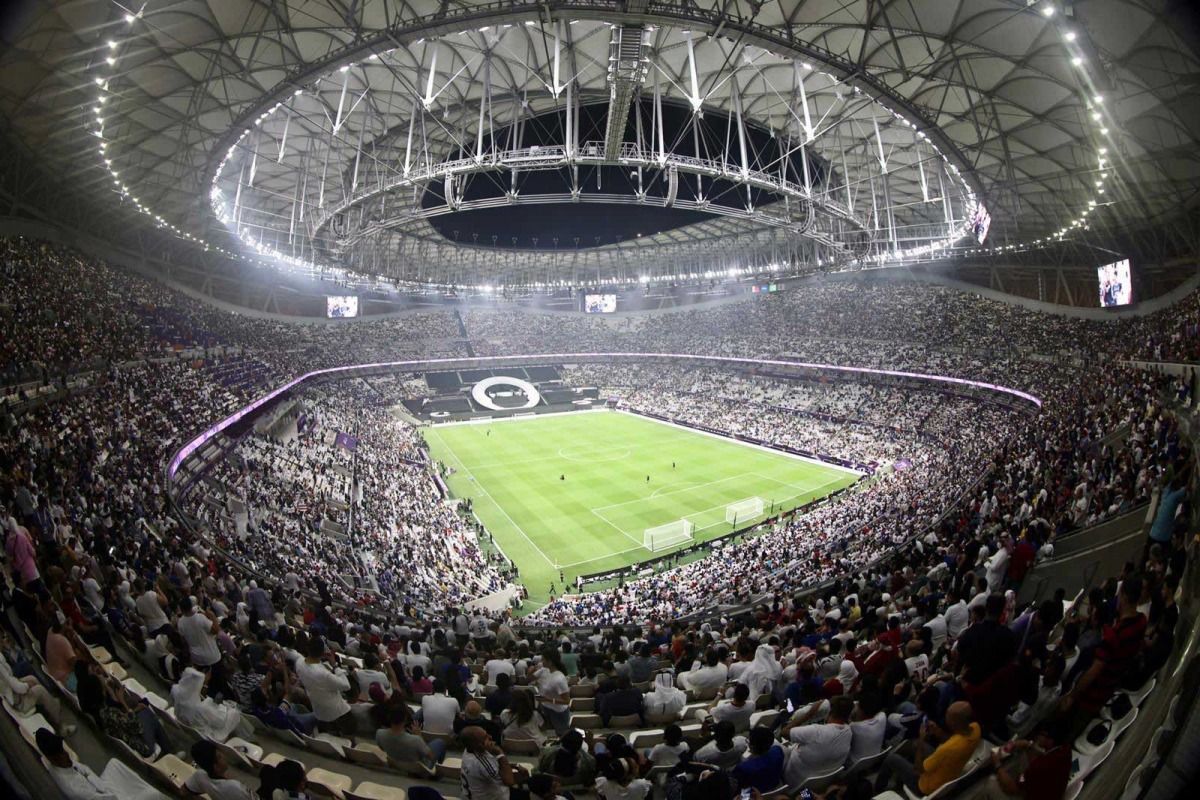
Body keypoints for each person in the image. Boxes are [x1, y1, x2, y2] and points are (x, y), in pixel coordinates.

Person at [874, 701, 982, 795]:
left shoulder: (947, 749)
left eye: (947, 716)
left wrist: (922, 738)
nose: (945, 717)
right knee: (914, 745)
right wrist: (938, 732)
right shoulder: (975, 728)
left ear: (953, 724)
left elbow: (918, 769)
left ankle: (877, 789)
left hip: (925, 786)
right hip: (949, 768)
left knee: (892, 758)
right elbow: (954, 738)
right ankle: (900, 779)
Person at [37, 727, 167, 800]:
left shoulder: (60, 764)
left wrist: (91, 778)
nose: (66, 754)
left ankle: (138, 785)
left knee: (114, 763)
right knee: (152, 794)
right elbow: (107, 798)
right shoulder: (74, 789)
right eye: (61, 754)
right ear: (53, 759)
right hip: (104, 796)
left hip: (96, 785)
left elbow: (85, 770)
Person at [986, 721, 1072, 800]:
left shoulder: (1039, 766)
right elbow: (1040, 760)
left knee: (990, 783)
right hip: (1051, 792)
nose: (1038, 737)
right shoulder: (1066, 749)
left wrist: (998, 765)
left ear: (1049, 739)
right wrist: (1029, 744)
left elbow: (1011, 788)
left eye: (1041, 735)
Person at [784, 695, 854, 789]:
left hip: (796, 784)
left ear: (830, 710)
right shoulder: (849, 732)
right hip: (822, 784)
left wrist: (810, 712)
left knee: (778, 750)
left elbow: (784, 732)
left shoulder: (816, 731)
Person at [294, 637, 356, 740]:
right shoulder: (323, 674)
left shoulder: (299, 662)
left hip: (319, 709)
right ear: (323, 653)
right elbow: (346, 685)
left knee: (329, 737)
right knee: (349, 730)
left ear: (307, 649)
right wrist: (335, 665)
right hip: (337, 710)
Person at [171, 667, 247, 743]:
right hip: (209, 736)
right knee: (234, 712)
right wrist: (220, 706)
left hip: (191, 726)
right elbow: (220, 722)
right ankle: (246, 737)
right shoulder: (201, 708)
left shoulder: (175, 689)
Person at [461, 725, 530, 800]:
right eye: (485, 737)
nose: (490, 736)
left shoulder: (469, 751)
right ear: (477, 744)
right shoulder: (481, 762)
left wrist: (514, 765)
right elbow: (508, 781)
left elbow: (495, 767)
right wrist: (499, 753)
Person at [377, 703, 447, 768]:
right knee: (440, 742)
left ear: (389, 717)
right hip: (419, 768)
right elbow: (432, 757)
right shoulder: (416, 740)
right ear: (405, 719)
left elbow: (383, 748)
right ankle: (437, 770)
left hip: (396, 762)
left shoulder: (380, 733)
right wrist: (419, 736)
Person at [185, 740, 253, 800]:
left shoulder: (199, 775)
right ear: (216, 767)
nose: (223, 756)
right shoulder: (234, 787)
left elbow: (183, 791)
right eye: (219, 756)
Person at [530, 649, 572, 736]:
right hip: (546, 707)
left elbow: (567, 701)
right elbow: (531, 678)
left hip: (558, 711)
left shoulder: (559, 679)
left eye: (543, 659)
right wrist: (530, 670)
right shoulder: (544, 670)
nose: (541, 661)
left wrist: (547, 699)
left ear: (550, 661)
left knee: (561, 734)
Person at [732, 726, 786, 792]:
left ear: (751, 747)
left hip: (754, 793)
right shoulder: (778, 750)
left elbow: (738, 787)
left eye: (748, 740)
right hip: (774, 785)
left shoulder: (743, 768)